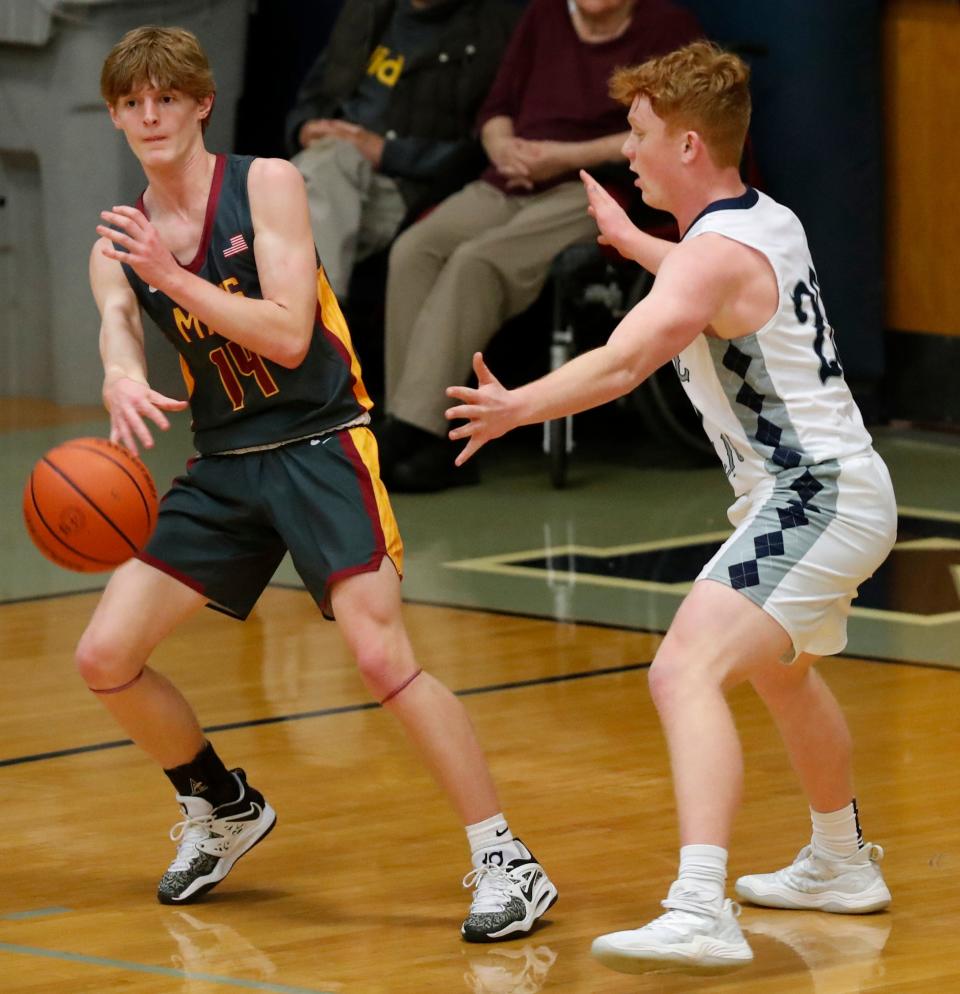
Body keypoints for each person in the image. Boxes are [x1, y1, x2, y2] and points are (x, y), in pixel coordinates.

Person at [78, 25, 556, 943]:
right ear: (113, 115)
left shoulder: (267, 184)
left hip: (321, 442)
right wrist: (118, 375)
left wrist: (172, 277)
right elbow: (116, 322)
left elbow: (290, 334)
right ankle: (222, 806)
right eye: (133, 102)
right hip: (223, 465)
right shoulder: (122, 242)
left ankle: (506, 858)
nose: (151, 115)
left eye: (168, 98)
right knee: (104, 656)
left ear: (201, 103)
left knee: (382, 658)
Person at [445, 40, 897, 970]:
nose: (629, 150)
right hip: (836, 489)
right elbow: (709, 282)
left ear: (689, 147)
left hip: (814, 496)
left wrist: (514, 406)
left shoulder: (707, 262)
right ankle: (842, 863)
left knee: (680, 669)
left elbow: (623, 361)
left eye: (641, 133)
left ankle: (700, 905)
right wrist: (636, 243)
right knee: (780, 670)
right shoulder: (766, 220)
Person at [378, 0, 702, 492]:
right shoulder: (544, 16)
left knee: (477, 262)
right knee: (415, 248)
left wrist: (563, 157)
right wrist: (502, 148)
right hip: (511, 177)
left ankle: (409, 433)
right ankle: (427, 431)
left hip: (591, 184)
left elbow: (668, 133)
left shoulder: (666, 26)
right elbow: (496, 109)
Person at [284, 0, 520, 300]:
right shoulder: (367, 10)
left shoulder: (495, 28)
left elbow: (477, 155)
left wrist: (386, 151)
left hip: (403, 190)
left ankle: (304, 328)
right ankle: (312, 330)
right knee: (314, 175)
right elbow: (314, 99)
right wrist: (305, 128)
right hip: (328, 170)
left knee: (280, 213)